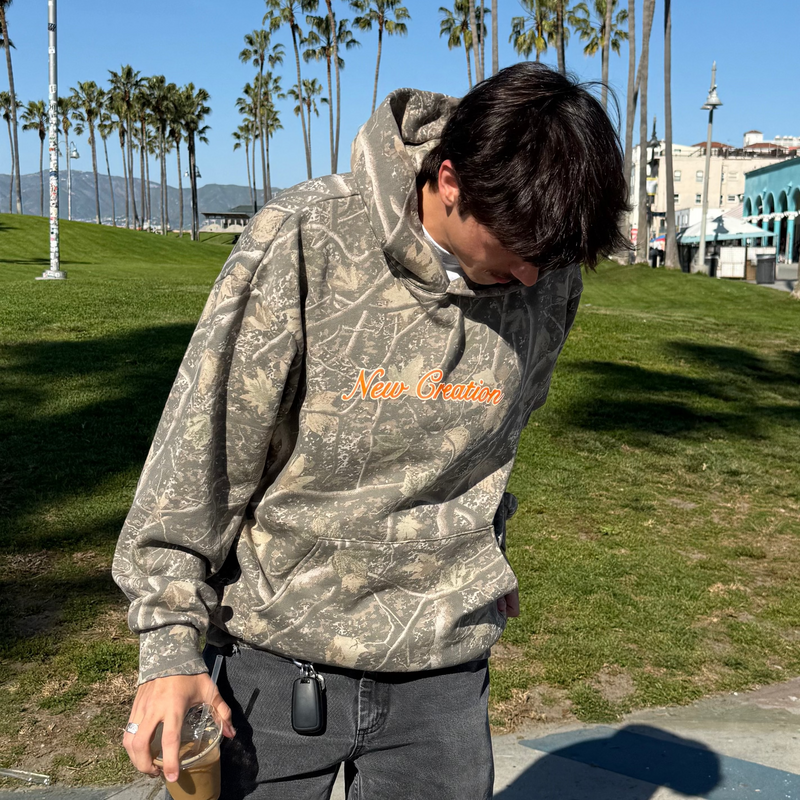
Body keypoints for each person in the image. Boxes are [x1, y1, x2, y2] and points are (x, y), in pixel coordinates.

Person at [113, 62, 628, 799]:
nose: (528, 279)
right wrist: (168, 647)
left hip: (443, 674)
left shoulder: (545, 275)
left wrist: (483, 537)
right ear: (450, 181)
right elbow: (202, 450)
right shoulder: (307, 236)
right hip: (276, 661)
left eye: (549, 262)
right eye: (515, 248)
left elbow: (498, 439)